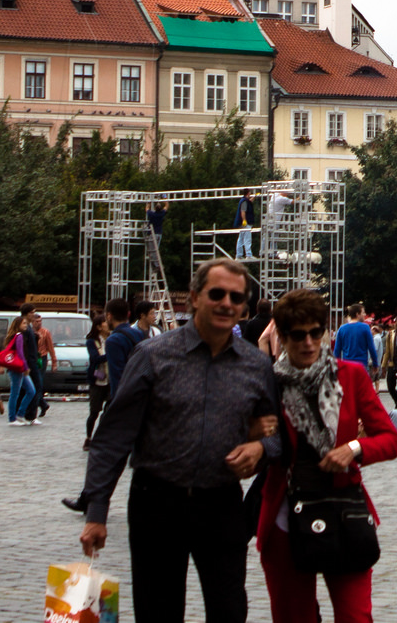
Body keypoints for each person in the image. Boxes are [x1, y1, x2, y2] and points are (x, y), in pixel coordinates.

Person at [77, 261, 283, 623]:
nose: (226, 303)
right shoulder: (153, 355)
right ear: (193, 298)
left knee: (229, 610)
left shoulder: (256, 365)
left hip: (220, 504)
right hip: (157, 503)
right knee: (158, 611)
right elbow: (112, 437)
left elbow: (277, 432)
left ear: (245, 308)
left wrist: (261, 449)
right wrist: (96, 512)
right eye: (216, 294)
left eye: (236, 297)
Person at [254, 287, 397, 623]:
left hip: (344, 512)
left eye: (316, 333)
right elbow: (250, 441)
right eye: (297, 335)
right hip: (285, 516)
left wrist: (354, 448)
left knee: (355, 616)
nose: (308, 343)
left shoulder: (351, 375)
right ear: (282, 336)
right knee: (294, 616)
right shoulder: (267, 383)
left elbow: (391, 440)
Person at [84, 301, 123, 450]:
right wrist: (111, 355)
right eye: (105, 323)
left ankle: (102, 436)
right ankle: (88, 438)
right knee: (94, 411)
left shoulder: (113, 338)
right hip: (97, 379)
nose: (108, 324)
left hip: (110, 379)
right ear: (99, 327)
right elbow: (95, 358)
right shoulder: (91, 341)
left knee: (109, 409)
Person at [106, 298, 158, 389]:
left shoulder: (113, 340)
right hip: (141, 389)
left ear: (109, 316)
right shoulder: (138, 334)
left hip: (125, 394)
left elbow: (117, 376)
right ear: (128, 314)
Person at [331, 304, 378, 372]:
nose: (365, 314)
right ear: (357, 314)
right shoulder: (365, 327)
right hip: (361, 365)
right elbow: (371, 348)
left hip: (347, 365)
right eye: (363, 312)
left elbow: (337, 350)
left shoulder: (342, 329)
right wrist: (375, 364)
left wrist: (335, 366)